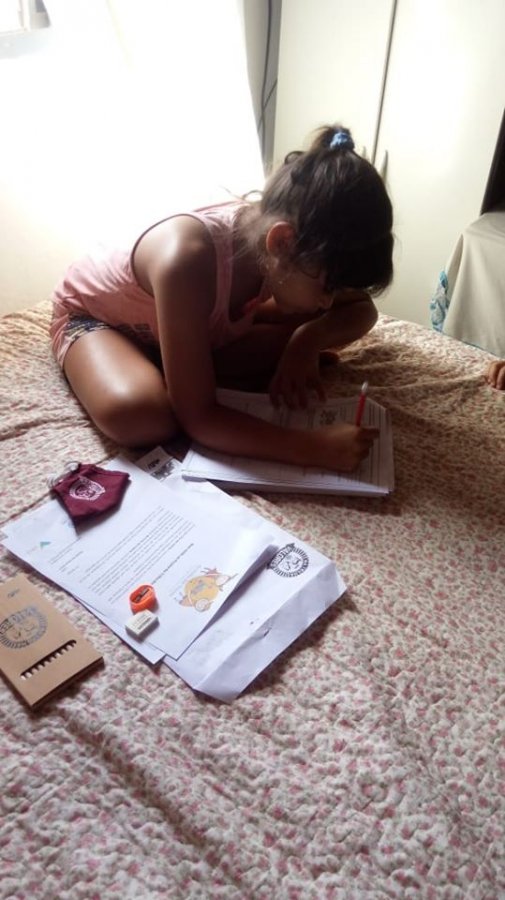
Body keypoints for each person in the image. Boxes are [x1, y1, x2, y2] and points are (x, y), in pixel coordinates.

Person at [50, 124, 394, 473]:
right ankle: (166, 366)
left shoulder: (283, 250)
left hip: (192, 323)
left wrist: (306, 342)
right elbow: (199, 418)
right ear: (282, 242)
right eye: (328, 287)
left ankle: (175, 365)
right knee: (143, 416)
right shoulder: (185, 258)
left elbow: (362, 310)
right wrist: (313, 447)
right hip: (96, 318)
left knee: (304, 326)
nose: (327, 302)